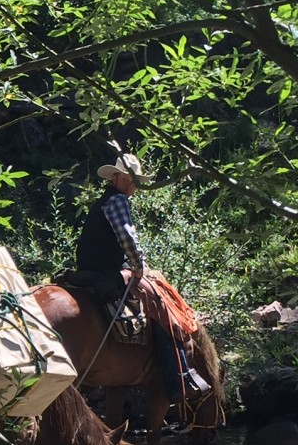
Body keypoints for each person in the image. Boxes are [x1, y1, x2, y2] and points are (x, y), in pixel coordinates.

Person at [70, 152, 211, 404]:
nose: (133, 185)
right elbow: (128, 238)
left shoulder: (102, 201)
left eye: (135, 180)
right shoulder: (118, 201)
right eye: (128, 179)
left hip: (90, 269)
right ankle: (177, 378)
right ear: (115, 177)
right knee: (160, 303)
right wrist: (138, 266)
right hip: (110, 270)